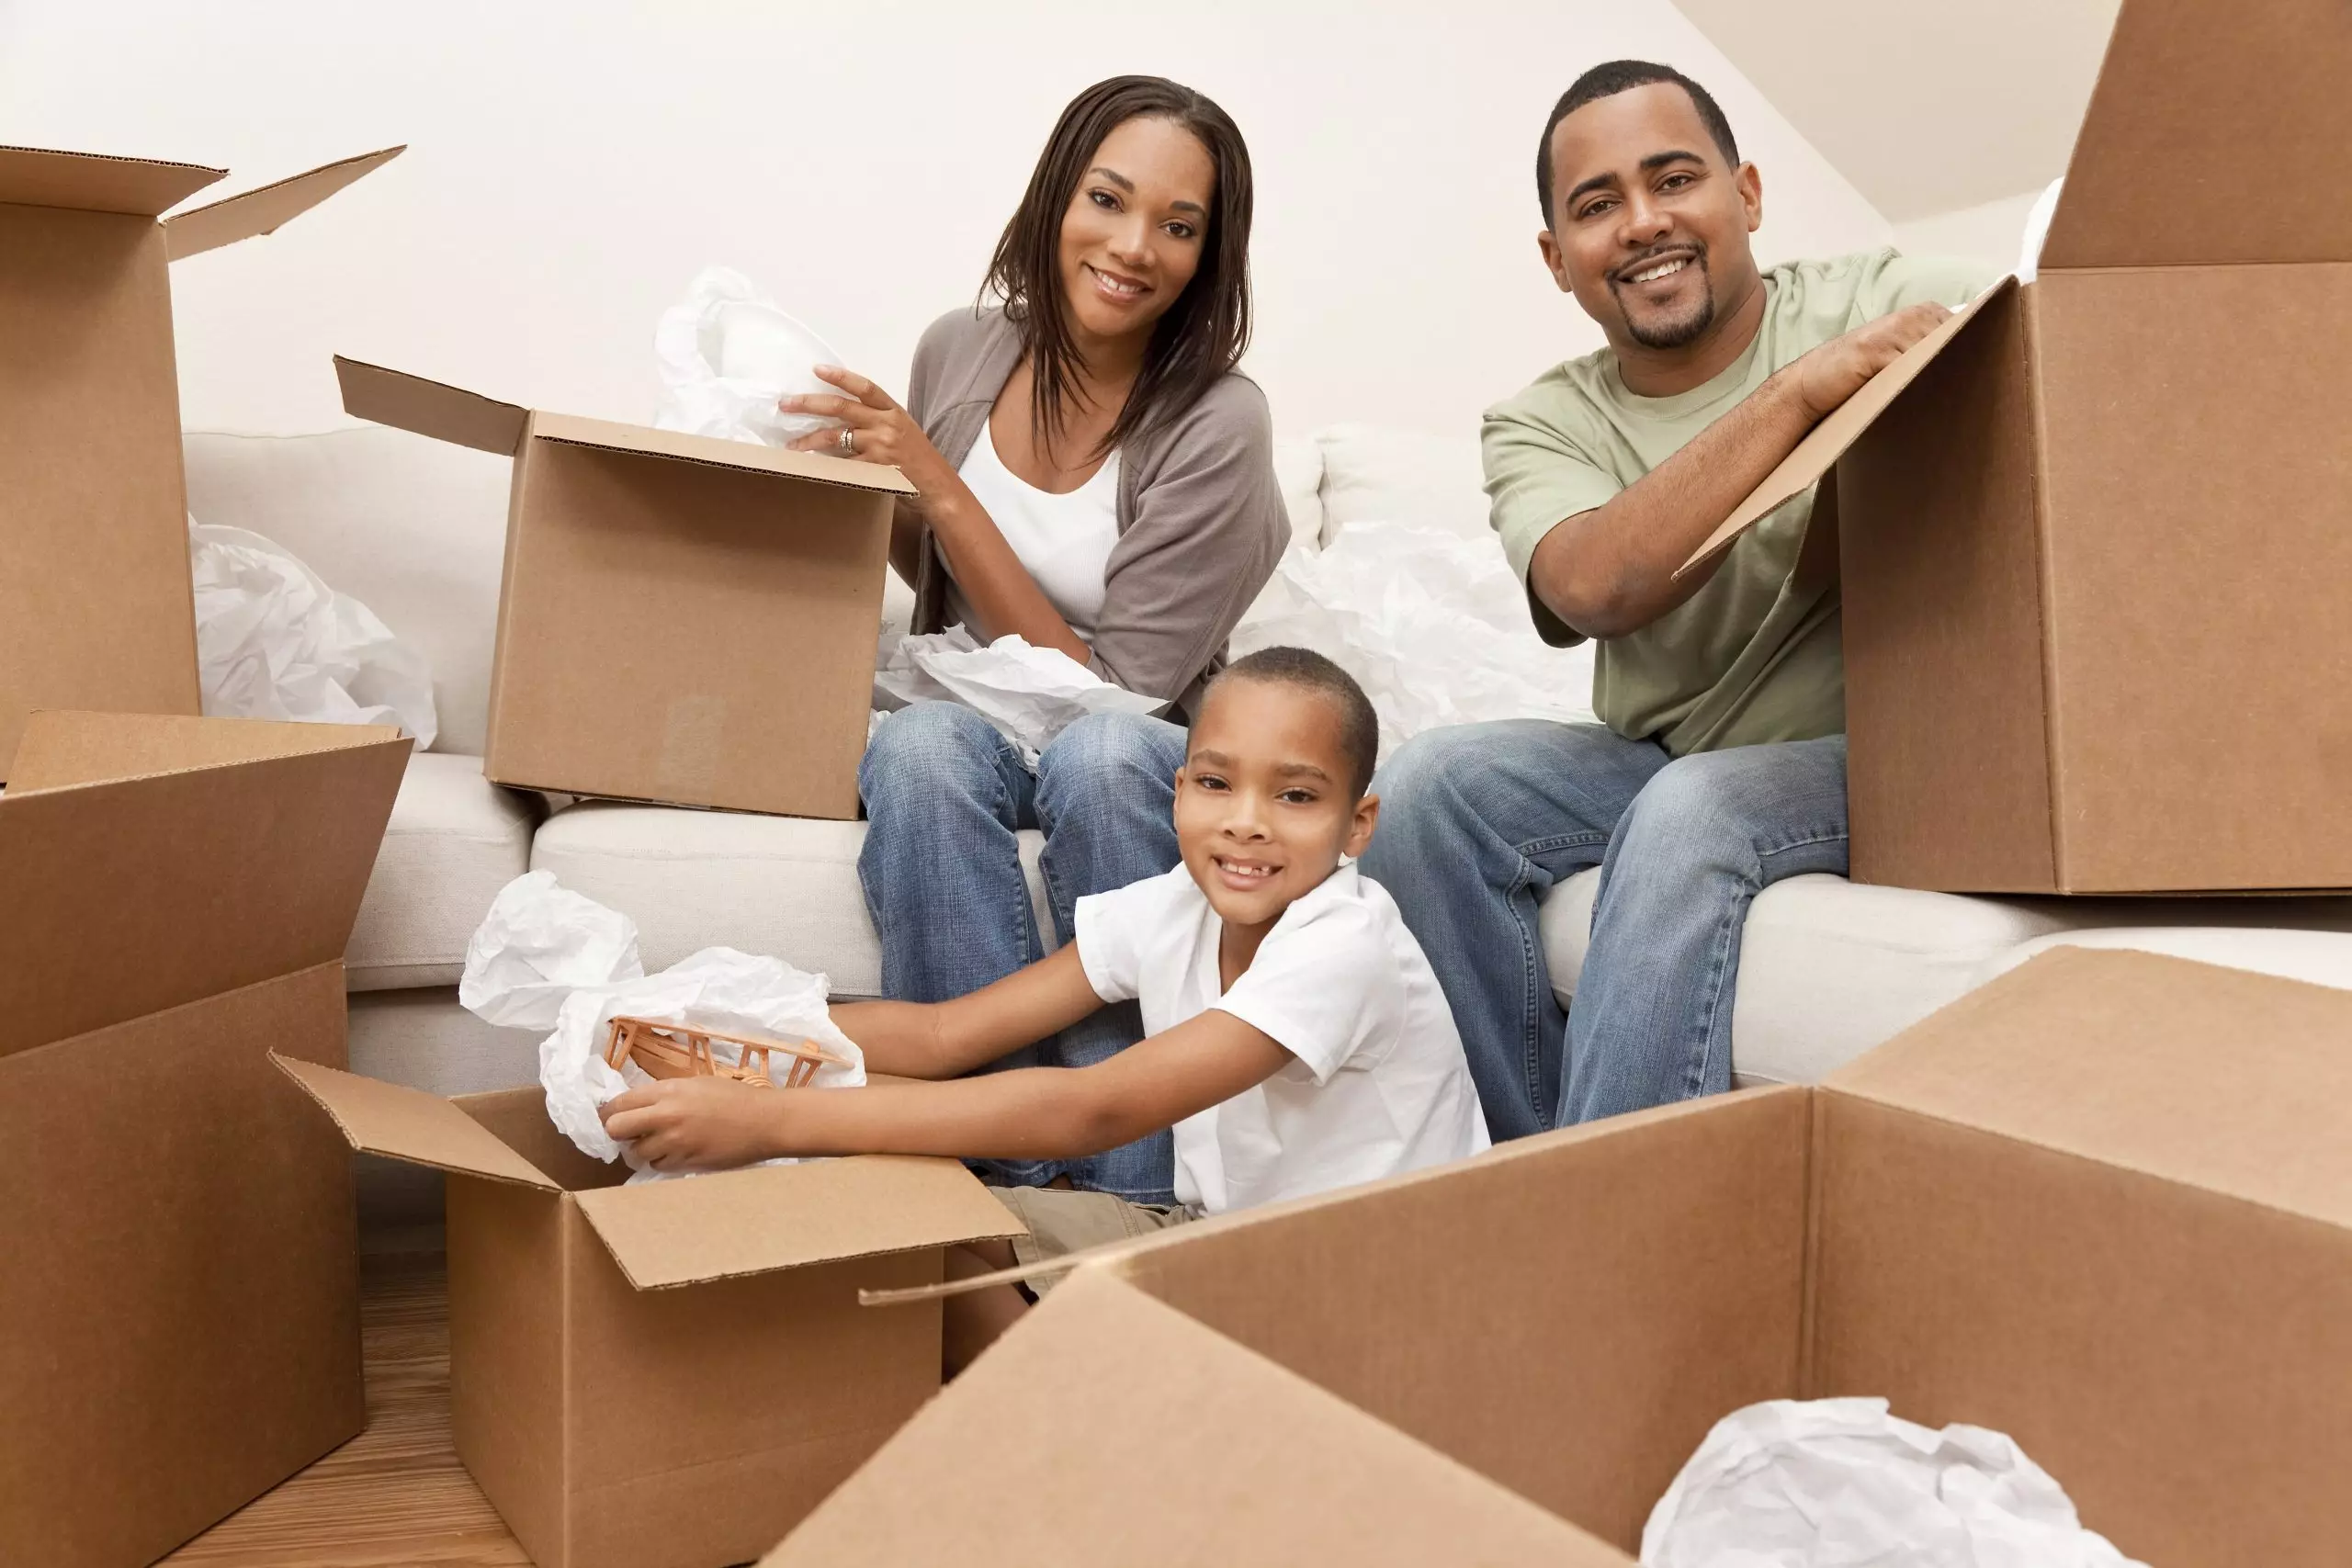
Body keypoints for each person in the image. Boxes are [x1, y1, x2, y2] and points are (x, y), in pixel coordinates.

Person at [1361, 61, 1996, 1140]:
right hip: (1666, 747)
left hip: (1872, 752)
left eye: (1674, 180)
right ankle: (1530, 1175)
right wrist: (1796, 394)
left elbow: (2083, 342)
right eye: (1598, 206)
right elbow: (1591, 584)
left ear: (1745, 195)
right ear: (1558, 260)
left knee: (1692, 811)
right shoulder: (1540, 422)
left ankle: (1601, 1231)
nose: (1644, 223)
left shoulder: (1876, 297)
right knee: (1429, 788)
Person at [601, 647, 1488, 1371]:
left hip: (1361, 1300)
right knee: (914, 1231)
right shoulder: (1179, 902)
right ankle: (1076, 1427)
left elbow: (1090, 1109)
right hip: (1217, 1240)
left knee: (907, 1229)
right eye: (1217, 784)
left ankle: (1086, 1453)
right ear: (1178, 791)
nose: (1246, 823)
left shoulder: (1345, 944)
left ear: (1358, 824)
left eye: (1295, 796)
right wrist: (730, 1031)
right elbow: (946, 1033)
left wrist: (772, 1121)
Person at [775, 76, 1290, 1207]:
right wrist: (866, 495)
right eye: (1107, 199)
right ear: (1057, 195)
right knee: (914, 754)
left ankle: (1133, 1189)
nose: (1133, 245)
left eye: (1179, 225)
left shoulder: (1218, 420)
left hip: (1130, 732)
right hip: (969, 713)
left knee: (1099, 764)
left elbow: (1120, 692)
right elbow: (937, 584)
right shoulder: (958, 350)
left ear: (1209, 257)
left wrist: (938, 489)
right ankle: (988, 1182)